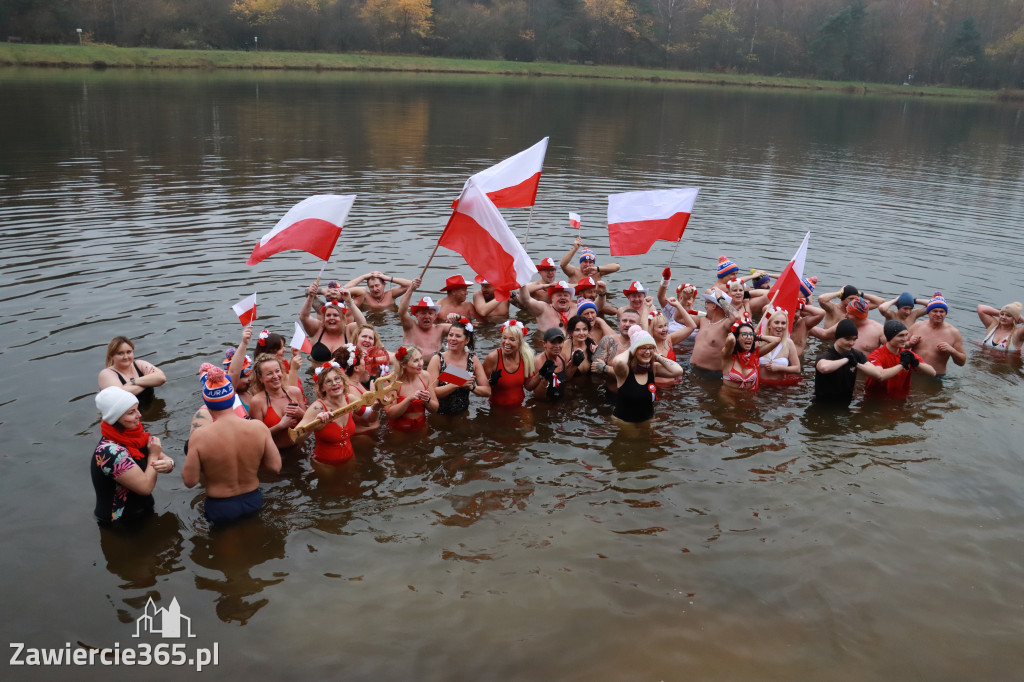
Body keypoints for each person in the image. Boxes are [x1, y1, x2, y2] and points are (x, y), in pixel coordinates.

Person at [183, 367, 281, 526]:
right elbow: (275, 467)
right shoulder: (258, 428)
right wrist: (251, 463)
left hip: (220, 506)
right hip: (253, 500)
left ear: (207, 404)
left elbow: (190, 481)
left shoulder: (199, 436)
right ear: (232, 399)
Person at [92, 386, 175, 526]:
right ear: (115, 418)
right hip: (120, 522)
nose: (139, 415)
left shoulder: (133, 434)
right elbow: (145, 487)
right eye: (131, 412)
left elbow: (165, 458)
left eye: (137, 409)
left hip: (143, 510)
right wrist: (153, 456)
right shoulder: (109, 452)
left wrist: (169, 464)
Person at [813, 319, 903, 405]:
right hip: (823, 403)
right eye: (847, 339)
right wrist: (846, 360)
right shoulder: (827, 354)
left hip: (846, 402)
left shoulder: (856, 355)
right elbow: (823, 368)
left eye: (854, 339)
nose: (852, 343)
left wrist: (857, 364)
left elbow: (877, 374)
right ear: (837, 337)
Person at [611, 326, 684, 426]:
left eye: (651, 348)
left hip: (648, 420)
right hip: (625, 423)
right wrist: (632, 348)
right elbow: (618, 361)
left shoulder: (652, 368)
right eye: (643, 348)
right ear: (634, 350)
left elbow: (678, 371)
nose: (647, 352)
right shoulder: (625, 370)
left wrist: (657, 356)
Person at [427, 318, 491, 415]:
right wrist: (456, 383)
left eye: (458, 336)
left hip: (462, 414)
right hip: (439, 414)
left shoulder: (473, 360)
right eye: (450, 335)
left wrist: (472, 387)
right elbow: (431, 392)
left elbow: (487, 391)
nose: (452, 339)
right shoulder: (437, 359)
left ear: (467, 340)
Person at [300, 361, 358, 464]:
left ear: (343, 381)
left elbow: (368, 415)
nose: (335, 383)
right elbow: (296, 437)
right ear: (322, 388)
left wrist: (377, 406)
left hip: (350, 459)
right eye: (329, 381)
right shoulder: (317, 408)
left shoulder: (350, 400)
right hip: (325, 465)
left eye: (337, 379)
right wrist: (314, 424)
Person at [248, 353, 306, 449]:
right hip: (278, 454)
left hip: (300, 449)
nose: (275, 376)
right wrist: (281, 426)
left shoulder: (295, 392)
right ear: (260, 378)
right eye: (269, 373)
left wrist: (302, 414)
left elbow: (310, 423)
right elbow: (257, 437)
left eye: (277, 371)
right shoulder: (257, 402)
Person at [866, 320, 937, 398]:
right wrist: (902, 365)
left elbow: (932, 373)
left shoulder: (907, 354)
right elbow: (880, 376)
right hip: (876, 399)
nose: (905, 339)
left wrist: (916, 362)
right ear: (890, 337)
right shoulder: (876, 355)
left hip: (900, 399)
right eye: (900, 335)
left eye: (906, 335)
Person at [300, 285, 366, 363]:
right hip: (316, 373)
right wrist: (311, 297)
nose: (331, 318)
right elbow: (304, 317)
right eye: (328, 315)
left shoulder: (349, 330)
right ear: (323, 318)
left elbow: (363, 325)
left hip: (343, 374)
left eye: (335, 315)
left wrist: (349, 301)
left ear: (343, 318)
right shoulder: (317, 329)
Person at [906, 292, 967, 375]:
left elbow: (962, 362)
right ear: (928, 312)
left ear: (946, 313)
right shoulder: (917, 326)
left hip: (935, 378)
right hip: (912, 373)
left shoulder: (954, 333)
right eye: (935, 311)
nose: (938, 314)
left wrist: (952, 351)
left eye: (942, 311)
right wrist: (909, 343)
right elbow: (898, 347)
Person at [483, 320, 540, 407]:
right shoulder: (493, 358)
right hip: (497, 408)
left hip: (520, 406)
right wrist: (491, 382)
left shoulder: (526, 357)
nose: (506, 342)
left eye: (512, 339)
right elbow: (482, 388)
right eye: (504, 338)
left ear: (520, 342)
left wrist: (541, 375)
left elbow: (528, 386)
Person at [98, 336, 166, 407]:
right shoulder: (106, 374)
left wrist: (133, 382)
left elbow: (161, 378)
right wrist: (148, 382)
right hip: (125, 417)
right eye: (120, 353)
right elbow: (120, 395)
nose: (126, 357)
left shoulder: (139, 364)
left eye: (129, 352)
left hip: (149, 412)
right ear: (111, 356)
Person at [331, 345, 384, 435]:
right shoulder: (350, 390)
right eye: (362, 359)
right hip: (363, 437)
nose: (365, 361)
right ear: (356, 368)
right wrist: (375, 395)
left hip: (372, 432)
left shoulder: (357, 382)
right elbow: (366, 422)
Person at [385, 345, 438, 430]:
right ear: (403, 364)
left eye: (421, 358)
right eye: (415, 361)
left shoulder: (426, 376)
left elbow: (435, 408)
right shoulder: (392, 381)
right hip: (398, 431)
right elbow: (390, 414)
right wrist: (409, 399)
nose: (421, 364)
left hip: (421, 427)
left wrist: (427, 400)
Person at [689, 290, 740, 377]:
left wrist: (720, 298)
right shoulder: (703, 320)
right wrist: (684, 300)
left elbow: (735, 316)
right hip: (692, 368)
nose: (705, 306)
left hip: (712, 375)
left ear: (714, 306)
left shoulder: (725, 324)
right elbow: (678, 317)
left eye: (707, 303)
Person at [720, 319, 781, 391]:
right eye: (744, 334)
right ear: (737, 338)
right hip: (729, 398)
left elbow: (777, 340)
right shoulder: (728, 356)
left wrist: (757, 336)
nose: (749, 337)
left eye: (751, 334)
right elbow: (730, 339)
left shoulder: (755, 355)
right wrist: (734, 331)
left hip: (748, 398)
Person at [592, 308, 643, 391]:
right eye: (624, 321)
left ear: (639, 326)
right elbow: (596, 368)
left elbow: (634, 376)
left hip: (633, 394)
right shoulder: (608, 340)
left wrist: (605, 368)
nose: (627, 324)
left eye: (631, 322)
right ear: (619, 323)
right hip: (608, 393)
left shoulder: (642, 346)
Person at [812, 296, 886, 354]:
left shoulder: (878, 330)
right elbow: (824, 334)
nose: (845, 315)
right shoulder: (845, 324)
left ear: (859, 316)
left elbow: (891, 349)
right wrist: (803, 322)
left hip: (864, 370)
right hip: (844, 367)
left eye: (849, 313)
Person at [398, 277, 450, 355]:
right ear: (416, 315)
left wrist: (458, 318)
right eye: (423, 313)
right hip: (411, 365)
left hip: (435, 366)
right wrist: (411, 289)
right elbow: (401, 311)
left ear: (435, 316)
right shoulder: (410, 327)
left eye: (430, 313)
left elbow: (463, 328)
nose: (426, 316)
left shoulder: (441, 329)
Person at [648, 306, 695, 386]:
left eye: (665, 325)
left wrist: (678, 305)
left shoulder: (669, 340)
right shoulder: (647, 346)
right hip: (658, 388)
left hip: (674, 386)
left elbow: (692, 326)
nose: (665, 329)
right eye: (660, 327)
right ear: (652, 330)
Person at [758, 308, 802, 386]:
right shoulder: (759, 342)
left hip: (780, 387)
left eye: (783, 323)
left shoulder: (789, 343)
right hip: (760, 386)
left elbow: (797, 368)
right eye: (776, 322)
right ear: (769, 325)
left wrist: (779, 368)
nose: (780, 326)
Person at [533, 327, 576, 401]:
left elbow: (565, 378)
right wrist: (545, 380)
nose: (557, 346)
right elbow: (537, 395)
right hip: (544, 403)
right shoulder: (538, 362)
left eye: (559, 342)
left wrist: (575, 364)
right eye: (553, 342)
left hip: (560, 399)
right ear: (544, 344)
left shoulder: (562, 356)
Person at [817, 285, 885, 328]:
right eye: (851, 299)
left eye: (855, 299)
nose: (853, 301)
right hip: (828, 342)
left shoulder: (857, 309)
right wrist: (839, 293)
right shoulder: (833, 309)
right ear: (843, 298)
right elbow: (821, 299)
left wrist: (861, 294)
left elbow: (880, 302)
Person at [343, 270, 412, 310]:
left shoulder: (391, 294)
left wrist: (388, 278)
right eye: (371, 287)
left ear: (384, 285)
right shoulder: (364, 296)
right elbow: (343, 290)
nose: (375, 289)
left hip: (389, 322)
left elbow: (410, 285)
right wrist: (363, 277)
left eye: (377, 285)